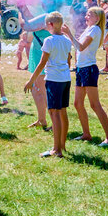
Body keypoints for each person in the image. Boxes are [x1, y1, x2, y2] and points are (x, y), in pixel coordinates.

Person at [25, 12, 72, 158]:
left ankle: (56, 150)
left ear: (50, 25)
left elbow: (42, 63)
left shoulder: (49, 41)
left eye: (46, 24)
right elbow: (68, 60)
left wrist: (31, 81)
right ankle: (61, 146)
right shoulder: (66, 40)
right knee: (63, 112)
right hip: (65, 79)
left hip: (54, 80)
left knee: (54, 113)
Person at [71, 7, 108, 146]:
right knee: (78, 104)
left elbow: (81, 47)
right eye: (86, 14)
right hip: (81, 68)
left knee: (94, 105)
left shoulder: (95, 30)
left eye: (89, 15)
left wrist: (68, 34)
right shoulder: (89, 29)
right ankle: (86, 134)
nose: (86, 16)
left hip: (89, 69)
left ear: (97, 18)